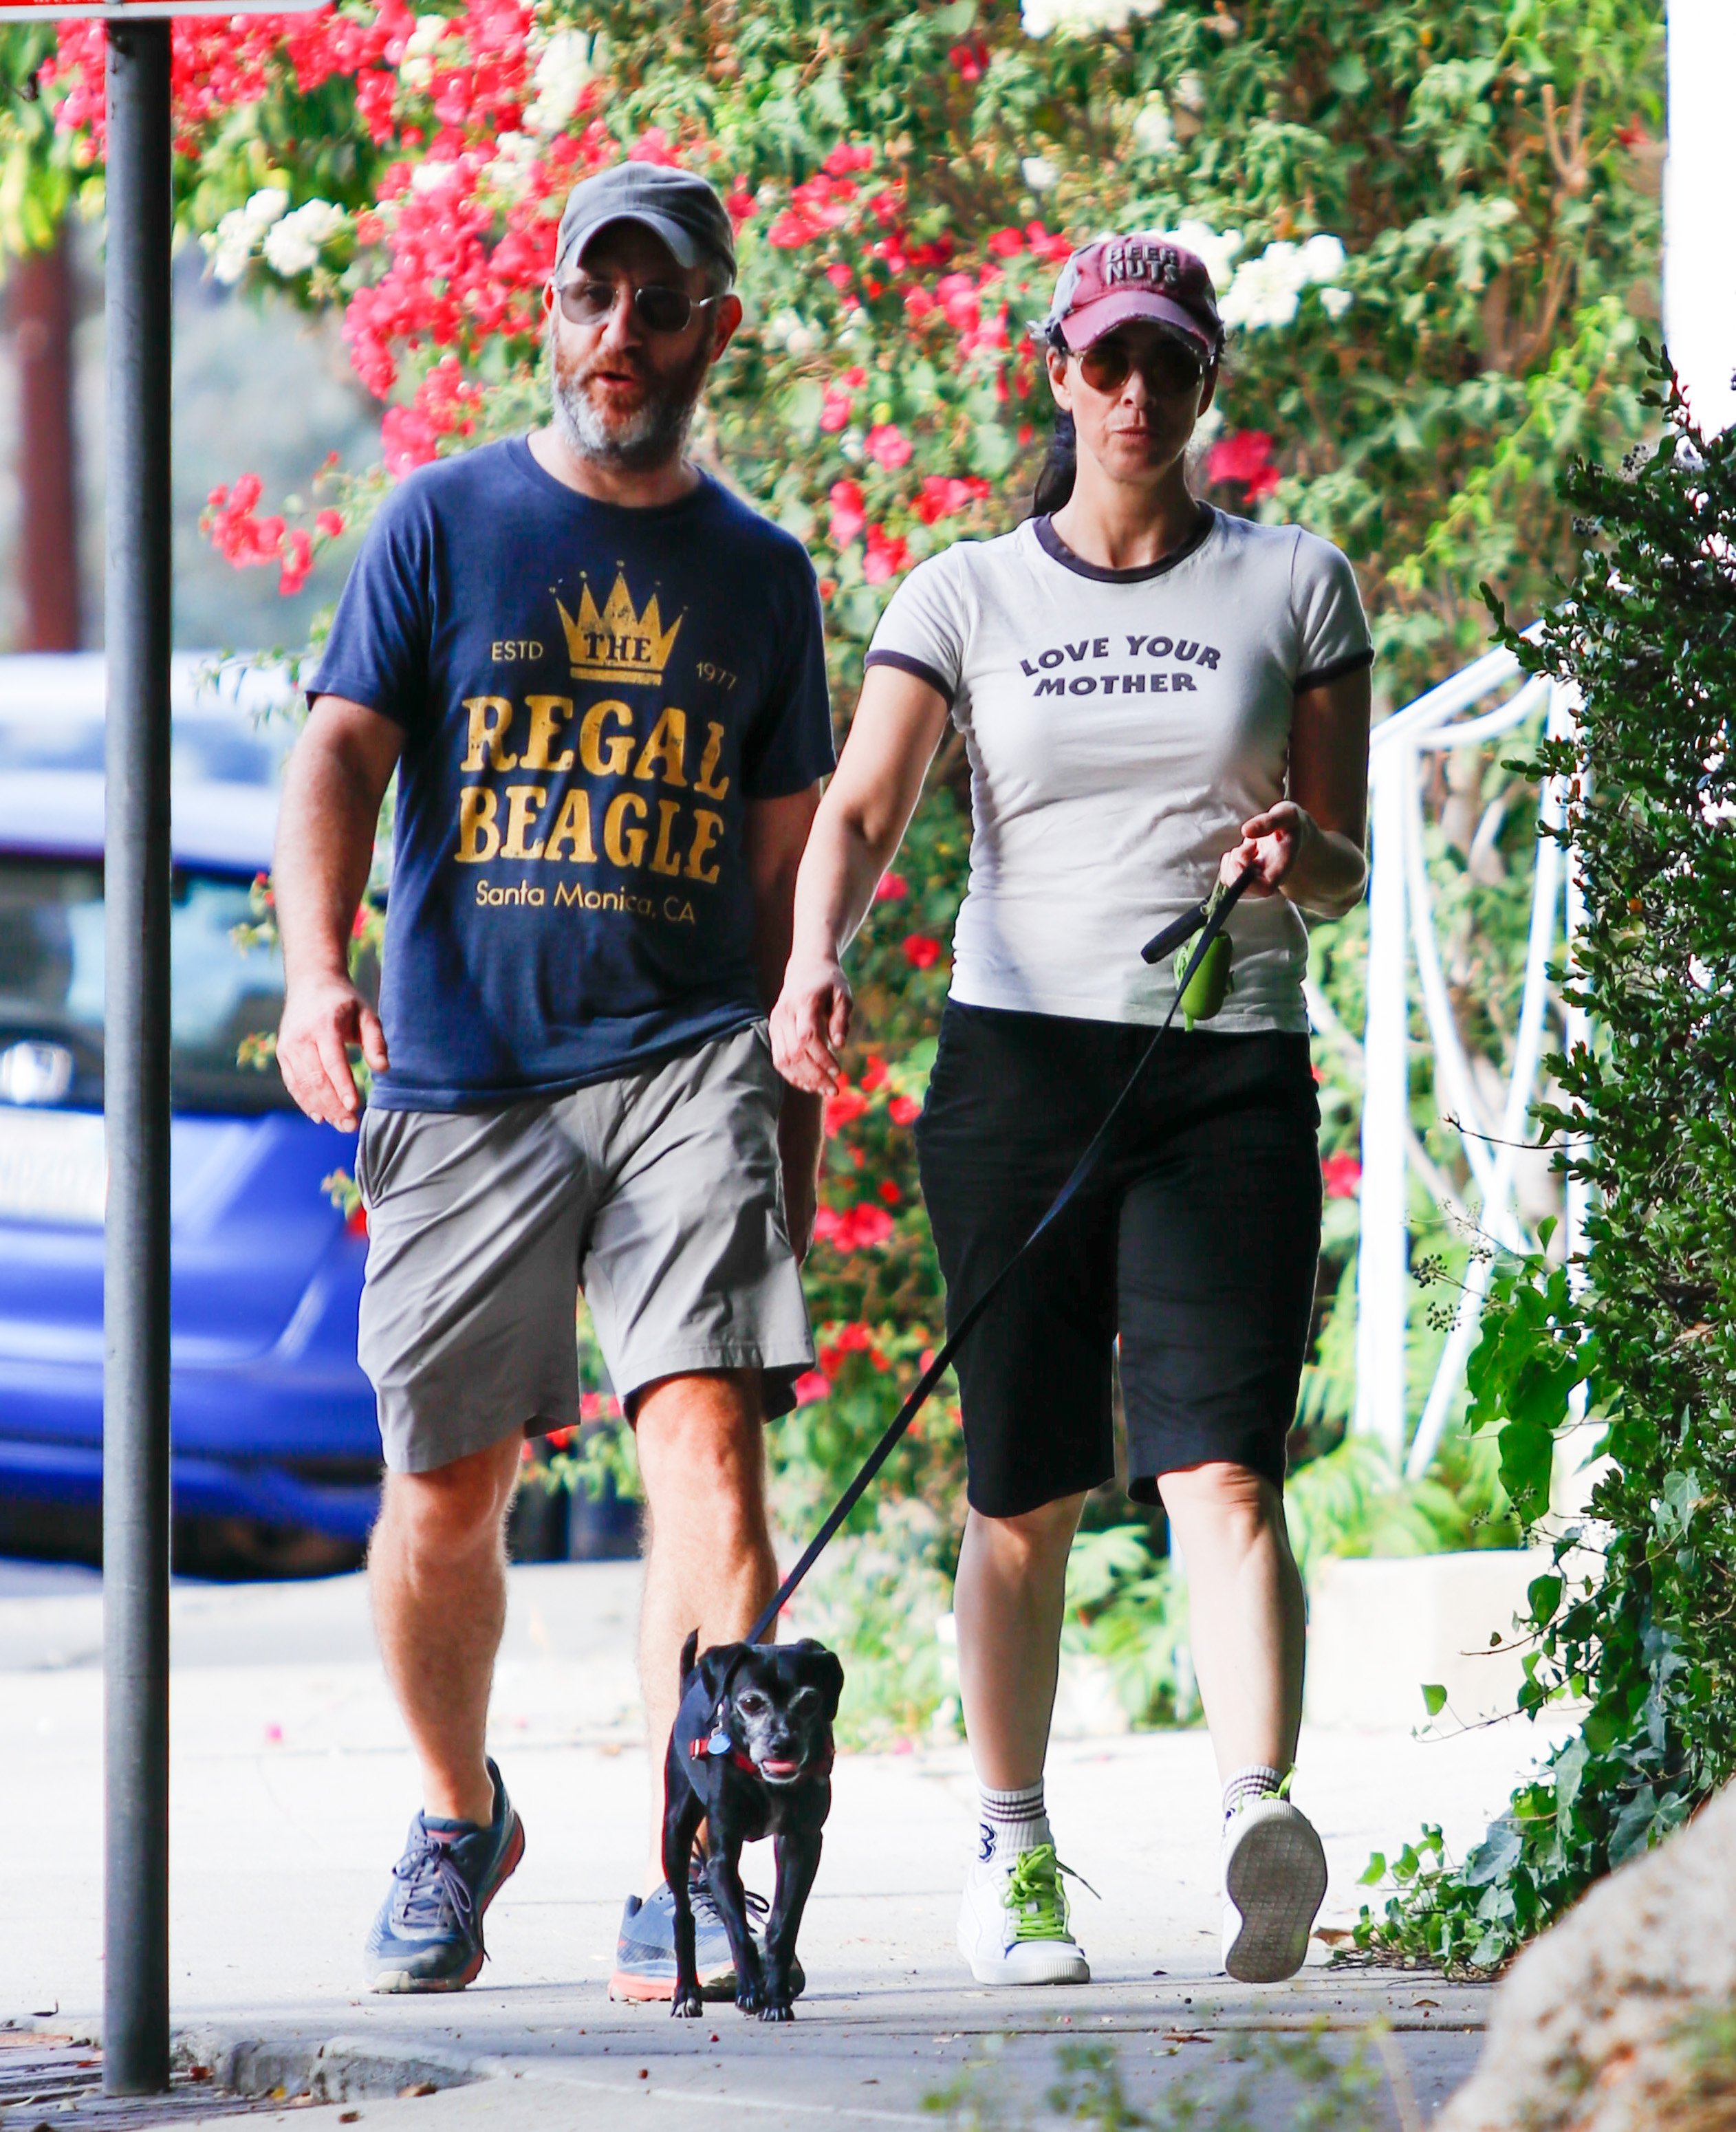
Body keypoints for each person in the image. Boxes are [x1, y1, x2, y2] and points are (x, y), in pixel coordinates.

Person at [772, 232, 1371, 1988]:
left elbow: (1338, 864)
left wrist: (1294, 853)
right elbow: (869, 807)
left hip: (1223, 1064)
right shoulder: (962, 596)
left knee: (1222, 1468)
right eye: (1105, 363)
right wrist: (817, 954)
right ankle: (1013, 1852)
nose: (1133, 394)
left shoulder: (1295, 582)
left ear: (1206, 387)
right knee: (1020, 1485)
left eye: (1164, 365)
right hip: (1019, 1066)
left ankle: (1257, 1814)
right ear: (1058, 372)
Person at [272, 161, 834, 2001]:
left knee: (710, 1458)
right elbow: (338, 756)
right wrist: (311, 972)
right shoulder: (444, 524)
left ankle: (685, 1874)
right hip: (465, 1068)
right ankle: (457, 1816)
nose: (620, 335)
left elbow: (780, 875)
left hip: (685, 1062)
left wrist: (788, 1110)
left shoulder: (761, 576)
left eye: (657, 303)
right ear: (551, 309)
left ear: (712, 328)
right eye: (594, 297)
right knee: (444, 1486)